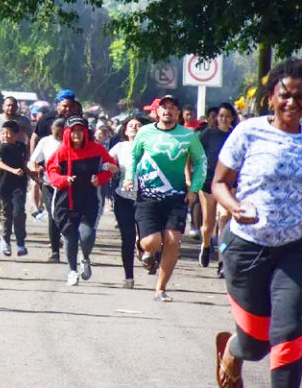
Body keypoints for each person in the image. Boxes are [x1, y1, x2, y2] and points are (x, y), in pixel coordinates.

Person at [212, 58, 302, 388]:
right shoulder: (249, 132)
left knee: (289, 331)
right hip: (246, 246)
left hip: (294, 249)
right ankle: (234, 351)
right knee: (255, 342)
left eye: (300, 96)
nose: (292, 102)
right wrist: (234, 207)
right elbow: (219, 183)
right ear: (271, 97)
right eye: (285, 95)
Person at [122, 95, 207, 302]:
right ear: (157, 112)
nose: (168, 111)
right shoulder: (145, 132)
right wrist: (128, 178)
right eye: (164, 107)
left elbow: (201, 162)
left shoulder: (188, 136)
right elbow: (133, 156)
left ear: (178, 113)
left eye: (172, 108)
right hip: (147, 195)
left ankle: (160, 289)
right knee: (153, 242)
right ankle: (143, 246)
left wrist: (194, 189)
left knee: (172, 240)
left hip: (176, 196)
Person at [48, 116, 116, 286]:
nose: (76, 134)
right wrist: (63, 180)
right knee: (70, 237)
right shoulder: (61, 152)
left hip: (89, 202)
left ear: (86, 132)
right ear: (67, 133)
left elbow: (110, 166)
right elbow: (52, 173)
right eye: (73, 131)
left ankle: (85, 257)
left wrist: (100, 178)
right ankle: (72, 270)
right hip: (65, 202)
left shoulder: (97, 150)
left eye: (80, 130)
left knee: (86, 236)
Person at [197, 103, 238, 276]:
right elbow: (195, 155)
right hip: (208, 184)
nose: (223, 119)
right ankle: (206, 246)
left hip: (229, 186)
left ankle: (222, 261)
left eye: (227, 116)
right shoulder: (207, 134)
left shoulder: (236, 136)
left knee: (224, 221)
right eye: (221, 115)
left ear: (232, 118)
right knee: (208, 225)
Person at [109, 116, 145, 288]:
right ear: (125, 130)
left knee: (147, 237)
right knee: (128, 237)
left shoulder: (151, 148)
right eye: (131, 125)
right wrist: (109, 167)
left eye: (138, 125)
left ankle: (149, 255)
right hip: (123, 197)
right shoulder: (120, 147)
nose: (134, 128)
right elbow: (104, 162)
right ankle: (128, 277)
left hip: (147, 197)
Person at [28, 117, 65, 263]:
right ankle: (55, 251)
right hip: (49, 184)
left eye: (63, 130)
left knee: (64, 215)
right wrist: (36, 168)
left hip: (68, 184)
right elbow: (33, 160)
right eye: (57, 130)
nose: (60, 133)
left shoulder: (71, 143)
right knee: (52, 215)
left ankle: (66, 240)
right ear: (51, 129)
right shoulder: (45, 142)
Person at [0, 120, 29, 257]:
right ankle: (5, 240)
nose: (6, 136)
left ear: (16, 134)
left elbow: (25, 164)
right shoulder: (3, 148)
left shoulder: (22, 147)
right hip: (5, 185)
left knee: (19, 212)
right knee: (7, 215)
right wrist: (13, 170)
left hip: (20, 184)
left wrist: (35, 176)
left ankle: (21, 243)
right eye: (3, 133)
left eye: (9, 133)